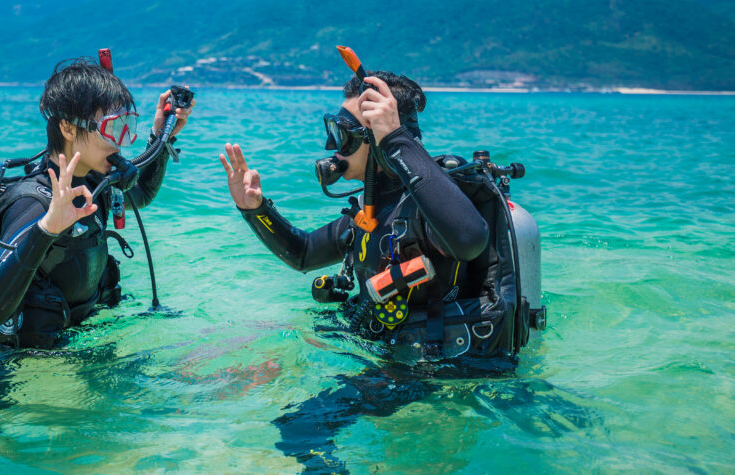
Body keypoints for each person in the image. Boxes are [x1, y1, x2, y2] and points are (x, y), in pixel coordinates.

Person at [221, 69, 534, 360]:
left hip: (440, 377)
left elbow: (468, 239)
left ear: (376, 137)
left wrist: (396, 139)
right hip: (388, 359)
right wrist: (255, 209)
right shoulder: (371, 210)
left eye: (342, 133)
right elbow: (302, 253)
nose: (332, 145)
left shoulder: (429, 207)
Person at [0, 57, 194, 348]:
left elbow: (140, 194)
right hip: (8, 375)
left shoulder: (95, 183)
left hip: (70, 352)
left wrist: (161, 134)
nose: (120, 141)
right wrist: (46, 230)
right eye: (111, 128)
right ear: (68, 129)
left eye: (127, 126)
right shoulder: (33, 203)